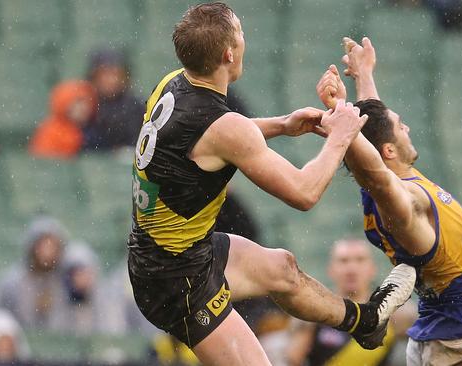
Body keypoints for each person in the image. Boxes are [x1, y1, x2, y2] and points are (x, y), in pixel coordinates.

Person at [127, 3, 416, 366]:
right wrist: (340, 136)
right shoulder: (225, 127)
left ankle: (367, 321)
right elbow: (304, 192)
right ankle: (367, 321)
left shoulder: (174, 82)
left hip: (173, 254)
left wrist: (282, 123)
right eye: (241, 33)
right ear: (229, 54)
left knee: (283, 269)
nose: (245, 40)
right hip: (176, 283)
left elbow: (208, 139)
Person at [315, 37, 462, 365]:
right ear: (390, 151)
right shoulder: (404, 199)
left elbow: (374, 133)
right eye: (400, 125)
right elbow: (376, 160)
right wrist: (340, 115)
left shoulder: (392, 185)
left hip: (446, 342)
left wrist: (364, 76)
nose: (405, 126)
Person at [288, 238, 416, 366]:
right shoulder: (313, 309)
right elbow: (293, 359)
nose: (351, 269)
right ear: (331, 270)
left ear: (372, 269)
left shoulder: (397, 312)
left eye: (360, 260)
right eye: (343, 261)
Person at [0, 216, 68, 329]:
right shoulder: (12, 283)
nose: (47, 252)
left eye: (52, 246)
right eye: (43, 246)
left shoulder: (65, 282)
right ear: (32, 247)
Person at [83, 49, 145, 151]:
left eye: (116, 74)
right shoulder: (85, 104)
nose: (111, 80)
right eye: (105, 74)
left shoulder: (136, 107)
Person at [29, 80, 97, 159]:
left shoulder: (94, 130)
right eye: (77, 103)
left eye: (87, 102)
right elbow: (43, 162)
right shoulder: (51, 132)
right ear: (64, 104)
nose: (83, 108)